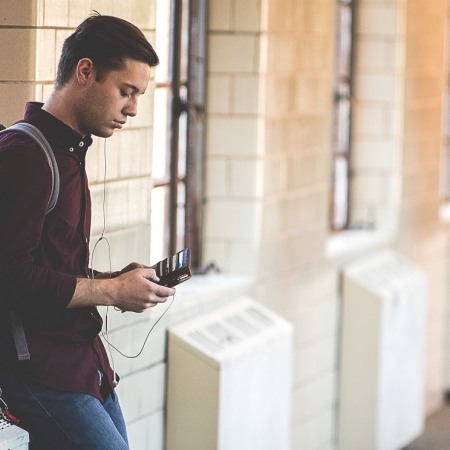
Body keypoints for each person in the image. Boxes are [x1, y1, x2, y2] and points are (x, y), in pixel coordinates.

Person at [0, 13, 175, 450]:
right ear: (85, 71)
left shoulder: (67, 153)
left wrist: (116, 281)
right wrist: (114, 293)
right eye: (126, 91)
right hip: (39, 370)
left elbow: (50, 269)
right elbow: (10, 275)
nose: (133, 108)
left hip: (81, 362)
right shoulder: (27, 155)